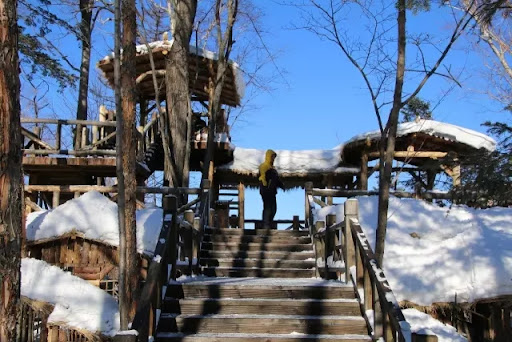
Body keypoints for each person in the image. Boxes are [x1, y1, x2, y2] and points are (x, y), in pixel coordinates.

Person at [258, 149, 284, 229]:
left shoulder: (273, 168)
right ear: (268, 156)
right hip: (266, 190)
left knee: (274, 209)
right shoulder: (263, 166)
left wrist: (281, 185)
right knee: (267, 208)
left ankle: (269, 222)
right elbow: (262, 176)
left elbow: (276, 179)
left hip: (272, 191)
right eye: (272, 156)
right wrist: (265, 186)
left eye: (274, 157)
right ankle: (266, 224)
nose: (273, 158)